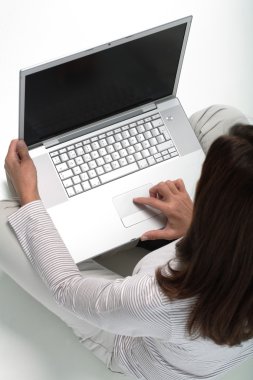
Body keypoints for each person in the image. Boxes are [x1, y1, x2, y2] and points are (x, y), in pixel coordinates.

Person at [1, 105, 253, 380]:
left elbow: (67, 288)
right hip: (208, 293)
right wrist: (194, 225)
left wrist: (29, 194)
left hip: (132, 344)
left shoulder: (156, 300)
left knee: (6, 219)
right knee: (219, 119)